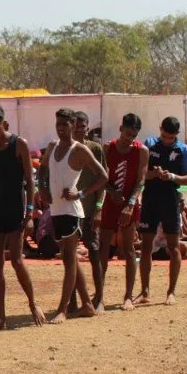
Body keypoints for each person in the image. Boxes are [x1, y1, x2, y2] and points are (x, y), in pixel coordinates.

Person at [40, 108, 108, 324]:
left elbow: (103, 176)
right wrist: (42, 188)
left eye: (65, 124)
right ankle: (87, 304)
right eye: (58, 124)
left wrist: (81, 193)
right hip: (56, 209)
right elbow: (42, 169)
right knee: (69, 260)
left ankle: (62, 309)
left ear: (73, 125)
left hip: (71, 211)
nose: (61, 128)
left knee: (69, 261)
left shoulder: (80, 150)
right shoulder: (52, 146)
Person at [0, 106, 45, 329]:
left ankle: (32, 303)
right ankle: (1, 317)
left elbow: (30, 181)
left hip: (17, 209)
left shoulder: (20, 144)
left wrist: (29, 214)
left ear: (5, 125)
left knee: (17, 261)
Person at [136, 116, 187, 305]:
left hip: (170, 199)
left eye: (171, 138)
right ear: (159, 129)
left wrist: (171, 176)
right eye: (164, 136)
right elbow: (140, 173)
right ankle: (144, 291)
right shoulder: (150, 144)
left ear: (177, 135)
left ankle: (171, 291)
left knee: (173, 247)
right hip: (150, 198)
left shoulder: (183, 150)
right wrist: (153, 174)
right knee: (146, 246)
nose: (167, 140)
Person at [95, 113, 149, 311]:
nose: (130, 139)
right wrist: (110, 192)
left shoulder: (141, 151)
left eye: (133, 135)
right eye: (127, 134)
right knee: (103, 248)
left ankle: (128, 296)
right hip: (110, 202)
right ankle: (99, 296)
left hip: (129, 204)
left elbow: (140, 180)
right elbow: (100, 177)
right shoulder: (107, 148)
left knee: (128, 249)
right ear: (120, 129)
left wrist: (131, 204)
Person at [73, 111, 107, 309]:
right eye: (75, 124)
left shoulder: (95, 148)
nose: (79, 128)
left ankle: (99, 298)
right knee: (70, 257)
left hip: (89, 210)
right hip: (71, 212)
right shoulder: (65, 148)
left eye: (82, 125)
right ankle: (73, 300)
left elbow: (103, 180)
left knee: (94, 253)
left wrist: (98, 208)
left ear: (88, 127)